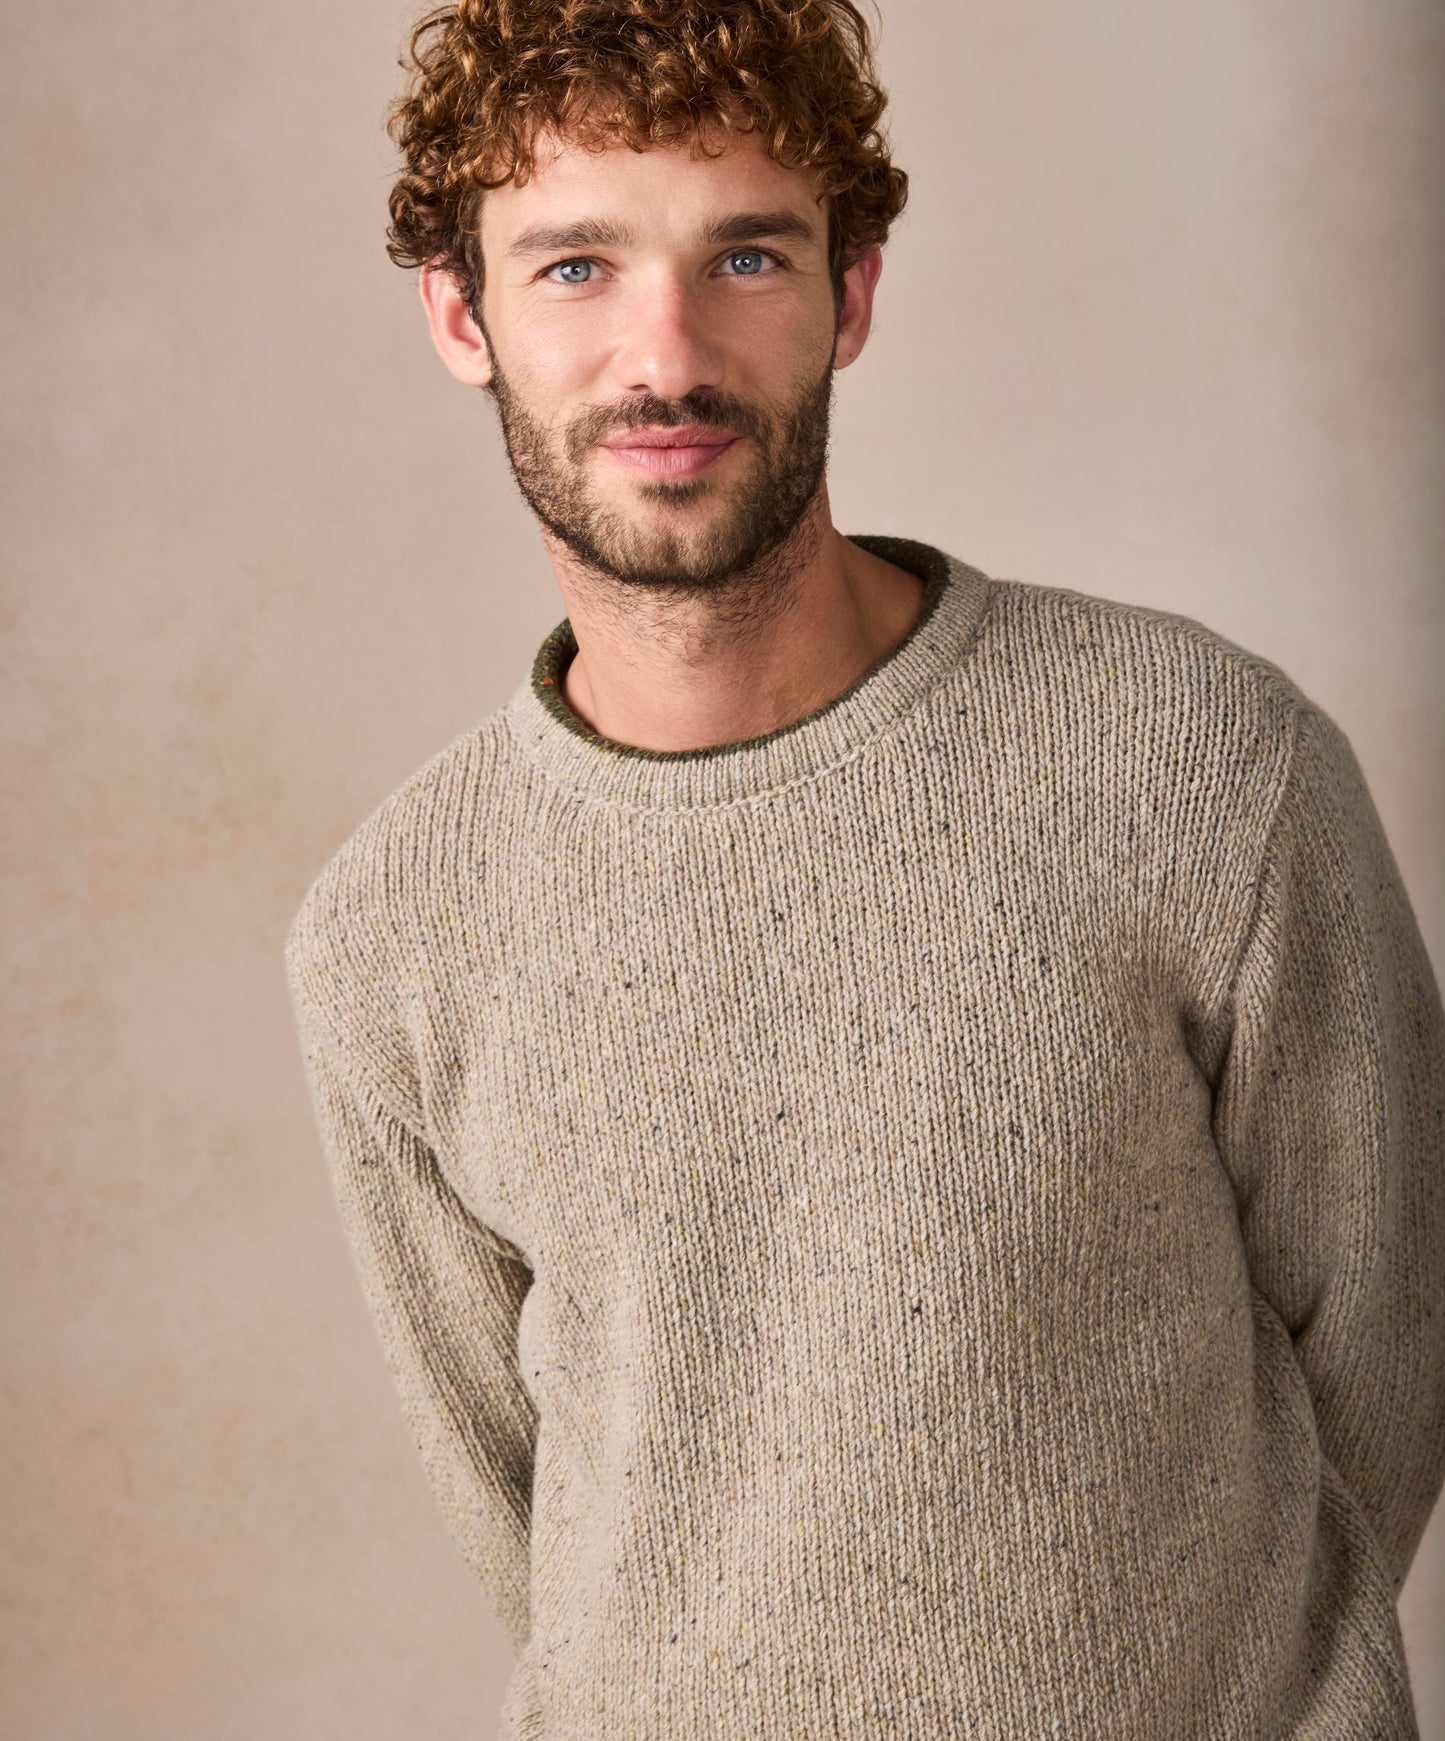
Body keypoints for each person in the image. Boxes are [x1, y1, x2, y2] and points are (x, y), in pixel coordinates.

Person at [283, 2, 1445, 1736]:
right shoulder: (390, 931)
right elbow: (524, 1508)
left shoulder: (1203, 762)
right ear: (463, 316)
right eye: (575, 266)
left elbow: (1388, 1340)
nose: (662, 353)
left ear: (853, 291)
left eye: (743, 253)